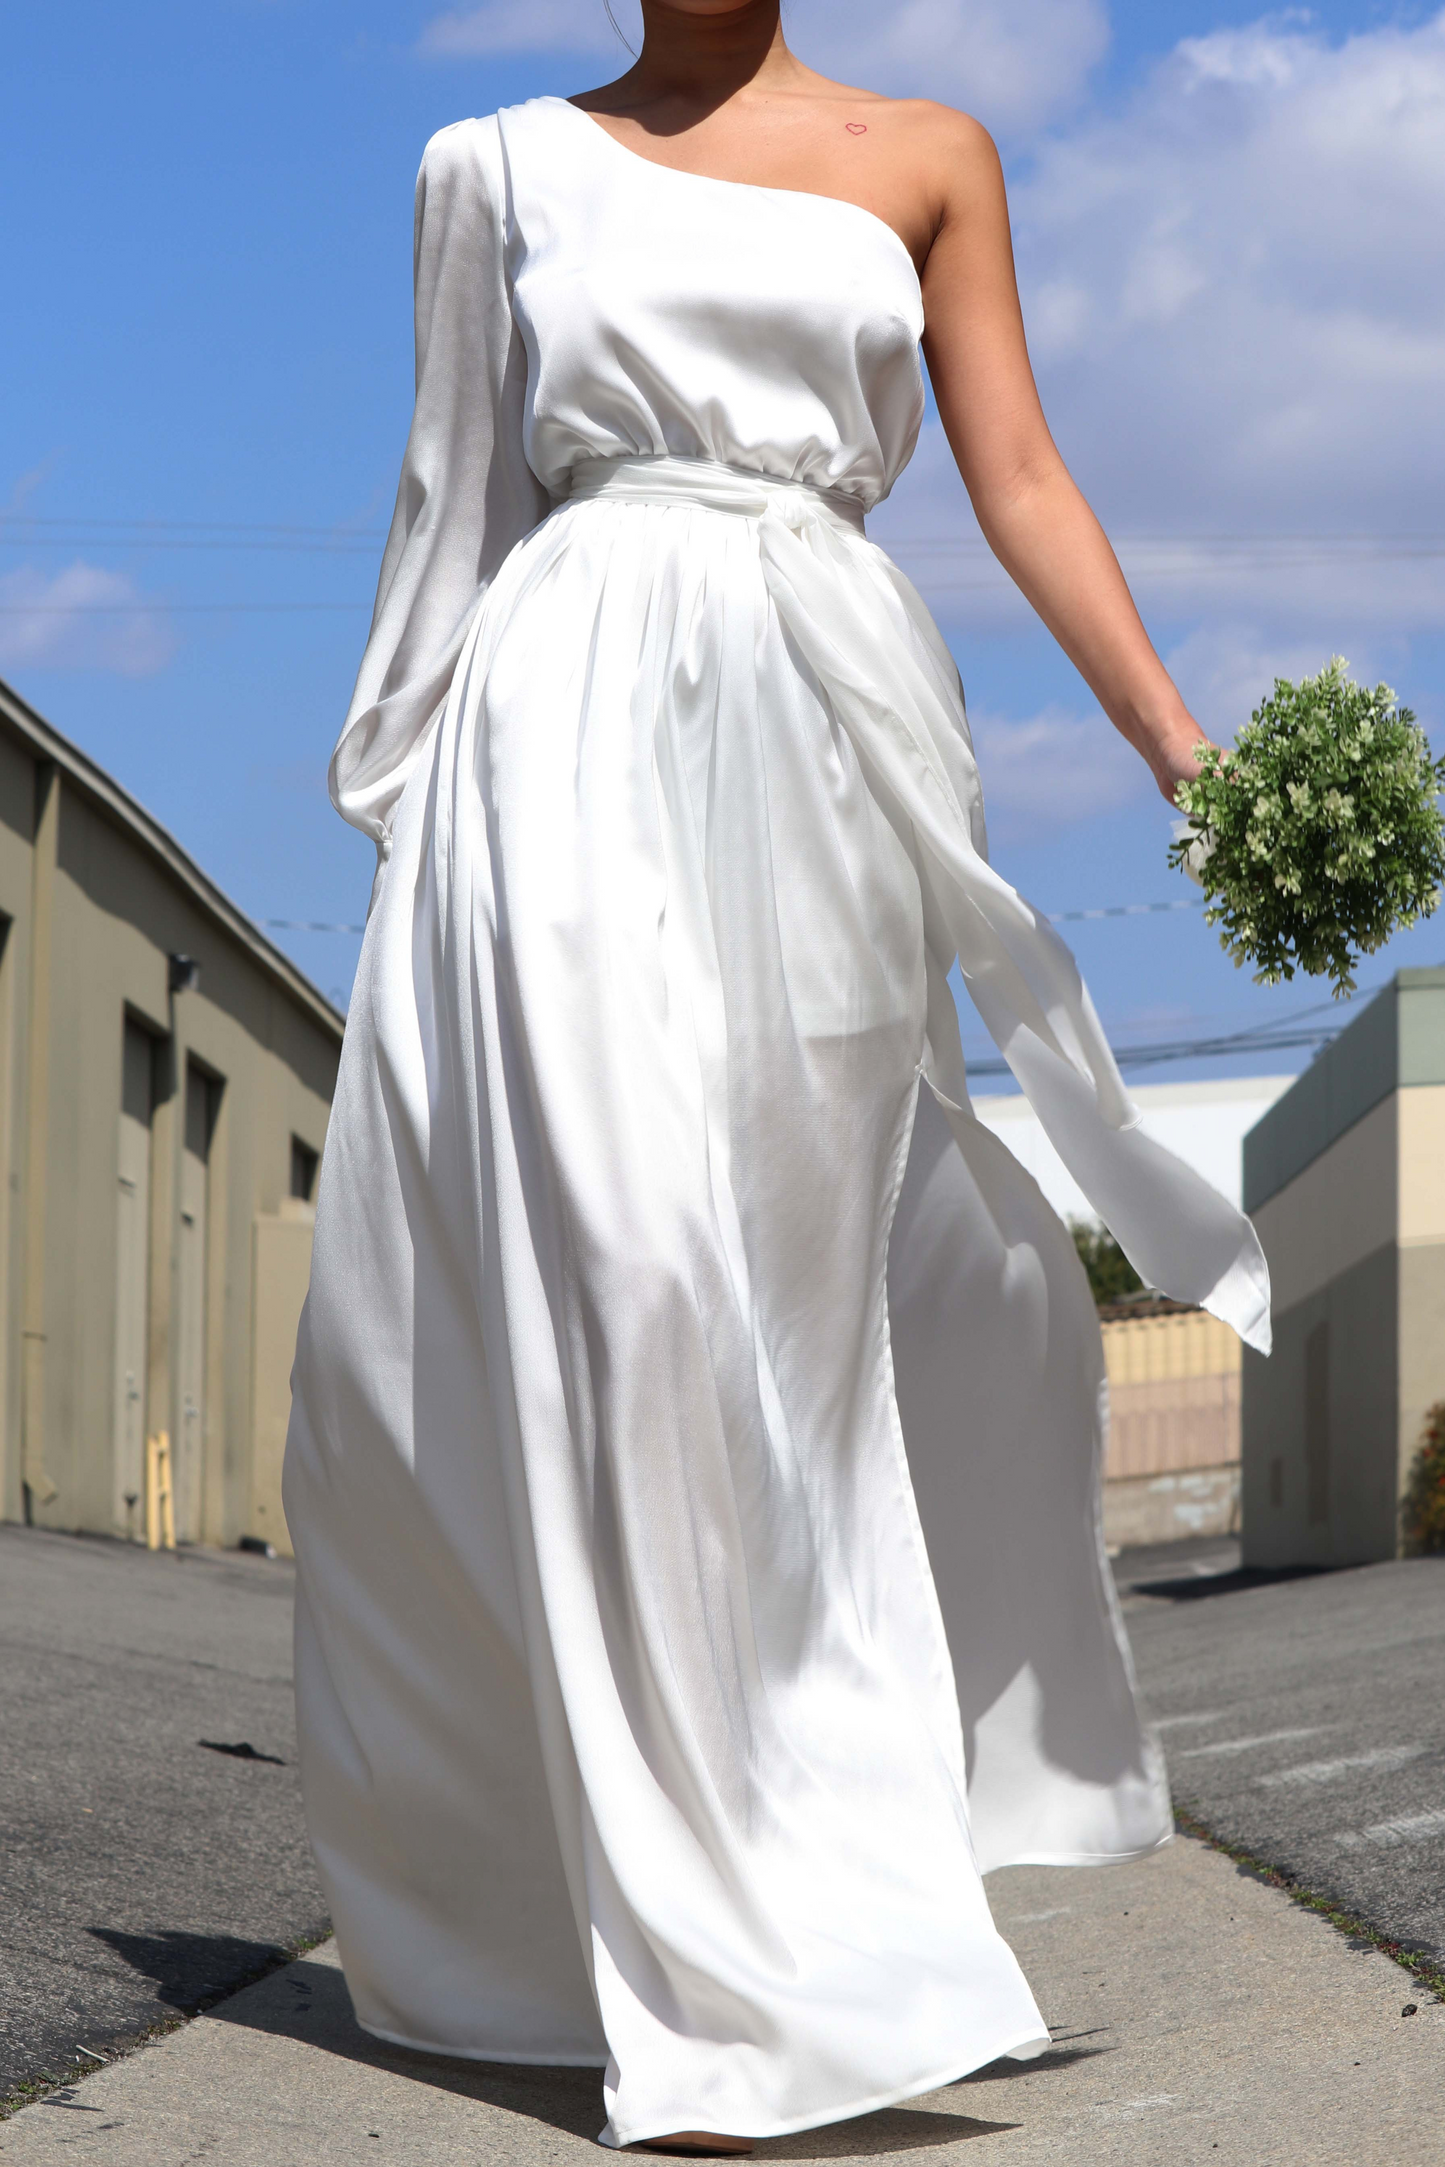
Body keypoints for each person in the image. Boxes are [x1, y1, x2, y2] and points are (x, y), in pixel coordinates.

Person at [283, 3, 1270, 2154]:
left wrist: (1175, 746)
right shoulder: (492, 166)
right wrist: (418, 823)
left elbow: (1011, 470)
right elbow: (457, 499)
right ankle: (693, 1948)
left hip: (828, 727)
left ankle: (831, 1880)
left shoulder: (930, 153)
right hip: (558, 736)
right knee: (629, 1284)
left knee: (804, 1346)